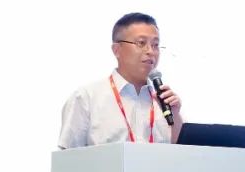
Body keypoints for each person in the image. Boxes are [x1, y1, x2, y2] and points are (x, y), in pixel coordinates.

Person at [58, 12, 183, 149]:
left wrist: (176, 117)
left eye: (155, 45)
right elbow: (67, 157)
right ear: (117, 50)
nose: (150, 51)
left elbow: (183, 154)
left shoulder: (166, 104)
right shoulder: (86, 98)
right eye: (141, 43)